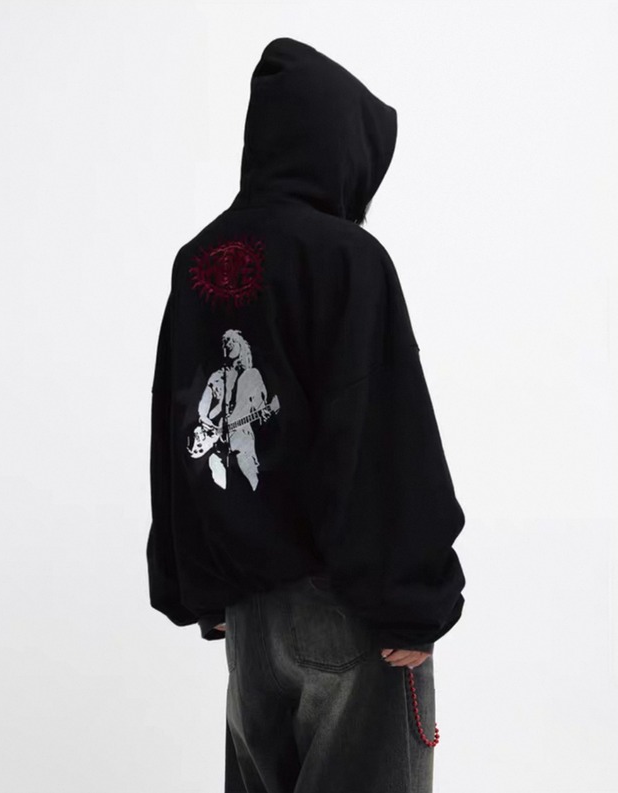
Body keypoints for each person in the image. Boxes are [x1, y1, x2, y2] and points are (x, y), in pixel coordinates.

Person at [147, 36, 466, 793]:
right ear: (338, 146)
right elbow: (385, 434)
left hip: (248, 617)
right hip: (349, 611)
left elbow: (174, 427)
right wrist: (413, 600)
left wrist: (196, 582)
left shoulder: (196, 262)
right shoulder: (346, 257)